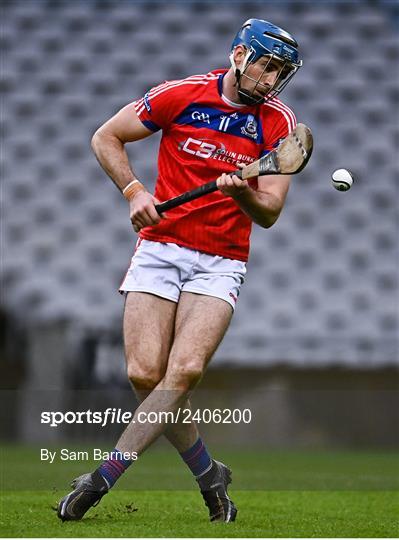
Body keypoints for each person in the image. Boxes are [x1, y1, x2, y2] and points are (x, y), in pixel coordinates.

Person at [57, 18, 302, 523]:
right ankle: (210, 474)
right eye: (267, 65)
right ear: (239, 56)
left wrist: (244, 194)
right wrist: (134, 192)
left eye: (282, 72)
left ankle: (102, 476)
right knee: (145, 375)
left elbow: (270, 212)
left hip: (222, 261)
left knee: (183, 372)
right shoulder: (184, 94)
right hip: (161, 247)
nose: (272, 80)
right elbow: (106, 137)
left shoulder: (279, 124)